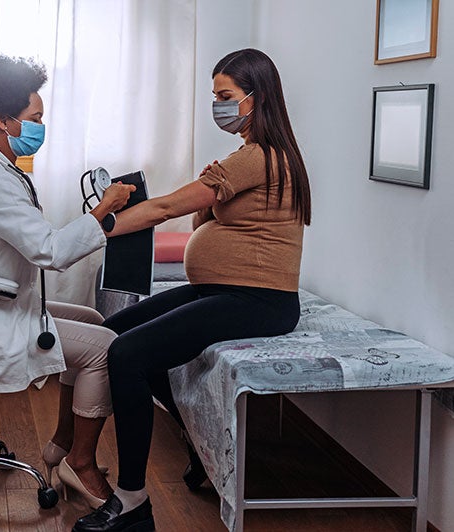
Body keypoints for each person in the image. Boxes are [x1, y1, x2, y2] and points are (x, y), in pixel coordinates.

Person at [73, 48, 311, 532]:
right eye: (214, 96)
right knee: (110, 333)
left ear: (256, 98)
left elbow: (164, 209)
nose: (218, 106)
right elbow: (209, 219)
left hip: (260, 301)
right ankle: (201, 447)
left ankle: (133, 500)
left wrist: (96, 225)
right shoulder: (248, 156)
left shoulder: (261, 156)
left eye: (225, 96)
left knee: (128, 355)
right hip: (223, 289)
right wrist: (212, 198)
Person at [0, 56, 135, 508]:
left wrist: (98, 217)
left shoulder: (3, 171)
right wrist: (103, 210)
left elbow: (39, 244)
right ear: (4, 121)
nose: (42, 126)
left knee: (95, 319)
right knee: (105, 348)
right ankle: (79, 463)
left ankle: (61, 444)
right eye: (35, 118)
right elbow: (50, 252)